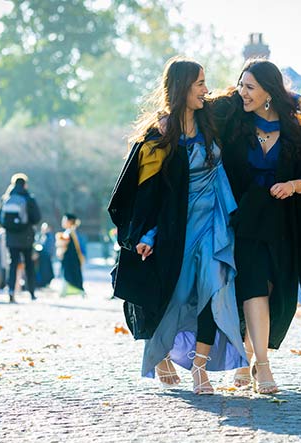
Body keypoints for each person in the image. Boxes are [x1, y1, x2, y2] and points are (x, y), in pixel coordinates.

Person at [212, 59, 301, 393]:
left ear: (268, 93)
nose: (241, 92)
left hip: (286, 224)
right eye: (240, 84)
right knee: (253, 286)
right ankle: (262, 366)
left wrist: (295, 185)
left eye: (249, 87)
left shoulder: (297, 134)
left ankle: (248, 351)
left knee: (279, 293)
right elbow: (203, 108)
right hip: (247, 222)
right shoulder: (235, 122)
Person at [109, 57, 250, 394]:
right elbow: (143, 193)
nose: (205, 89)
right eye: (199, 83)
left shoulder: (212, 116)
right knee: (175, 295)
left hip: (214, 225)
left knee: (213, 291)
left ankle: (199, 368)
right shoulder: (158, 137)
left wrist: (298, 100)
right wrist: (145, 234)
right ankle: (161, 354)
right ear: (182, 87)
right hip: (177, 230)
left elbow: (249, 90)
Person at [0, 173, 41, 303]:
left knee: (13, 264)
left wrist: (10, 228)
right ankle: (31, 292)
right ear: (25, 184)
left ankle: (11, 291)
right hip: (27, 237)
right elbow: (37, 218)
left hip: (11, 238)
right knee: (29, 265)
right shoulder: (29, 199)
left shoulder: (6, 198)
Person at [57, 214, 85, 294]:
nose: (63, 222)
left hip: (71, 259)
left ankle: (71, 291)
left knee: (71, 275)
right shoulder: (70, 231)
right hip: (70, 259)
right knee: (70, 274)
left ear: (69, 222)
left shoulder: (70, 232)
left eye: (64, 220)